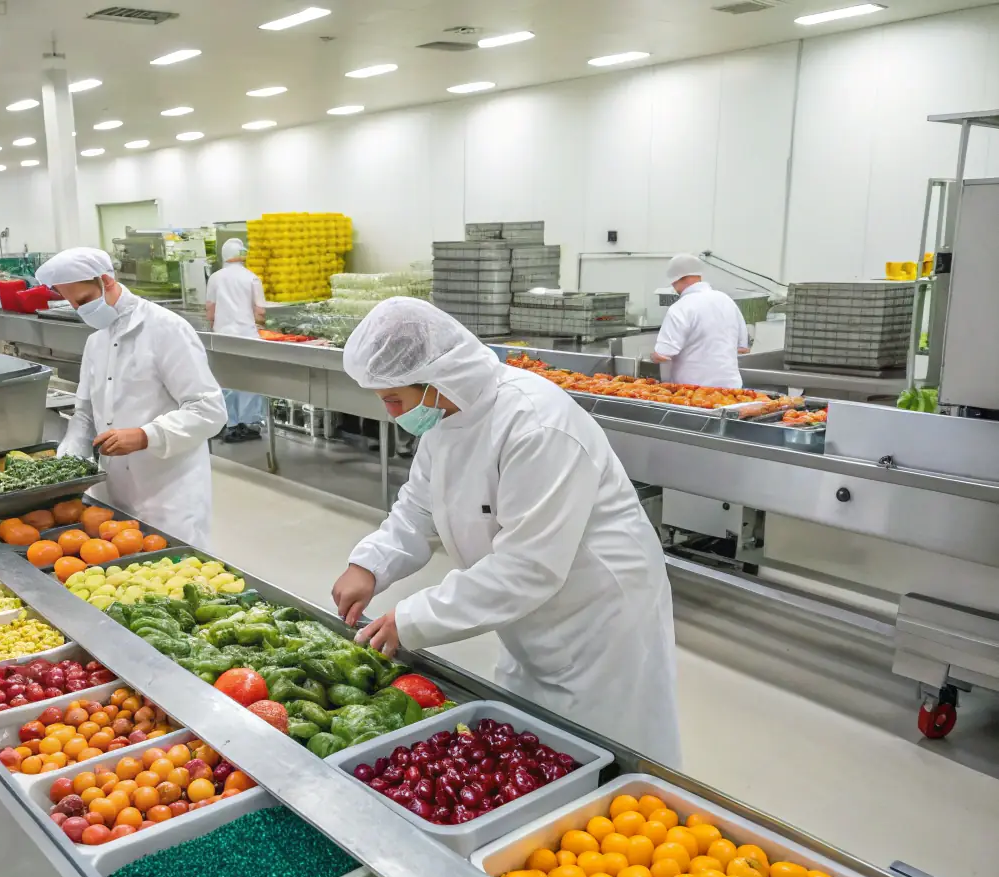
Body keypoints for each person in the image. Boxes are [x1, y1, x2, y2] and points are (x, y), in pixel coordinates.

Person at [330, 298, 681, 765]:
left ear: (437, 379)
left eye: (395, 399)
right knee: (536, 748)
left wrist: (410, 619)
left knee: (607, 760)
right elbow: (417, 508)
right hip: (529, 615)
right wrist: (368, 564)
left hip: (597, 616)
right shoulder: (445, 418)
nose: (393, 414)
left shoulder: (536, 425)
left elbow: (528, 567)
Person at [35, 247, 227, 547]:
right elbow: (84, 415)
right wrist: (65, 466)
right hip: (112, 489)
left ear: (106, 281)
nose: (80, 311)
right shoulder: (96, 341)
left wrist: (144, 435)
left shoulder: (166, 330)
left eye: (84, 301)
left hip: (168, 491)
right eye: (73, 305)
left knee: (172, 573)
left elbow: (209, 410)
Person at [652, 253, 750, 388]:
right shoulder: (726, 300)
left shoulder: (681, 307)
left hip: (694, 393)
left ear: (676, 280)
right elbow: (743, 348)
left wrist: (652, 356)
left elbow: (663, 354)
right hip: (731, 389)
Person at [207, 238, 268, 442]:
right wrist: (259, 323)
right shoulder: (252, 278)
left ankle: (227, 423)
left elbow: (210, 311)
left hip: (223, 337)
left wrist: (216, 323)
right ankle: (249, 423)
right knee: (249, 380)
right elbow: (260, 312)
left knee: (225, 380)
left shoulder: (215, 278)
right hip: (247, 337)